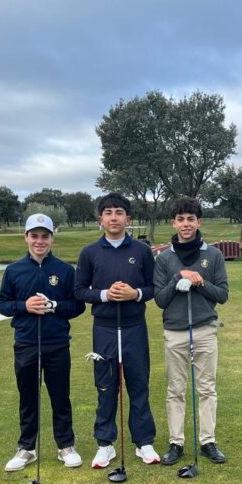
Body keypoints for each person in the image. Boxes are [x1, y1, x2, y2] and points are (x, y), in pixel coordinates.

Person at [74, 193, 160, 469]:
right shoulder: (89, 252)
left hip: (135, 327)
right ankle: (105, 444)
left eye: (119, 212)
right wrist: (105, 295)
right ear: (100, 219)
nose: (114, 217)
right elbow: (79, 290)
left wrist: (135, 294)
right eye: (108, 212)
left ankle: (144, 442)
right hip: (105, 329)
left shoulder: (142, 251)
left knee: (139, 384)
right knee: (106, 386)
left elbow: (153, 288)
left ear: (128, 219)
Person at [0, 213, 86, 472]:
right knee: (28, 397)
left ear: (52, 239)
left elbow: (77, 306)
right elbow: (2, 304)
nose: (39, 241)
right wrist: (24, 306)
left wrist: (54, 305)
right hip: (26, 343)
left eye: (45, 236)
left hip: (57, 343)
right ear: (26, 238)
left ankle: (65, 445)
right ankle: (27, 448)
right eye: (34, 236)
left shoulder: (65, 270)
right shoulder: (14, 270)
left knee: (60, 396)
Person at [153, 196, 229, 465]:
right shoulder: (164, 258)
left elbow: (222, 295)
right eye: (180, 219)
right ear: (173, 223)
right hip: (175, 330)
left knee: (207, 388)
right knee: (176, 389)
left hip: (205, 329)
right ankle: (176, 442)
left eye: (191, 219)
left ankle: (208, 441)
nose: (186, 224)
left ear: (199, 222)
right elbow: (160, 299)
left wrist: (200, 282)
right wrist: (179, 277)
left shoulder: (213, 255)